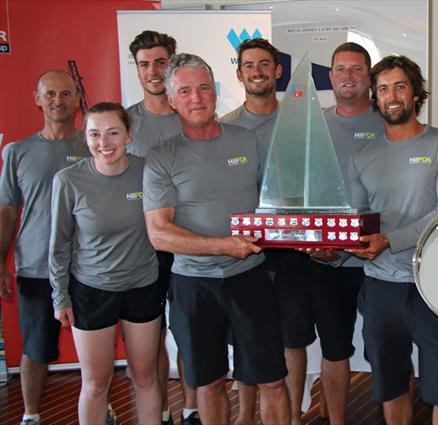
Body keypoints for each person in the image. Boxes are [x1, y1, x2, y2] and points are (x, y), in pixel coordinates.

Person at [142, 53, 290, 425]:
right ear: (172, 99)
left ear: (215, 91)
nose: (197, 98)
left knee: (272, 379)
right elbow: (159, 234)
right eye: (186, 91)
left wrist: (307, 235)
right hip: (194, 285)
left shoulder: (248, 141)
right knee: (209, 384)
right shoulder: (161, 158)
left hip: (252, 278)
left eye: (204, 88)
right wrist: (224, 245)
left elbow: (275, 206)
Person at [346, 55, 438, 425]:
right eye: (383, 89)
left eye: (400, 86)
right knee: (391, 386)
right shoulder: (362, 157)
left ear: (416, 93)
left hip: (437, 285)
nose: (392, 96)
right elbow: (358, 223)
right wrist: (332, 246)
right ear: (374, 97)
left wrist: (390, 240)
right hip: (382, 288)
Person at [49, 102, 162, 425]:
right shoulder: (68, 180)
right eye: (95, 134)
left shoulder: (148, 171)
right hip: (91, 290)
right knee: (96, 383)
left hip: (142, 286)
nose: (104, 143)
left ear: (128, 134)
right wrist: (61, 297)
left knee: (145, 377)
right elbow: (59, 245)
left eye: (113, 133)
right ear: (85, 138)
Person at [220, 37, 311, 425]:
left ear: (277, 72)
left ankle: (291, 417)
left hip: (293, 246)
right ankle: (245, 416)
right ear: (239, 74)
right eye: (249, 65)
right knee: (246, 334)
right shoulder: (223, 127)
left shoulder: (302, 119)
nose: (256, 71)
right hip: (244, 247)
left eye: (264, 65)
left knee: (292, 336)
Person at [0, 69, 90, 425]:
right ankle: (31, 415)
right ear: (37, 98)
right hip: (36, 267)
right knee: (36, 349)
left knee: (92, 349)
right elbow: (7, 212)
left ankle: (103, 407)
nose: (58, 100)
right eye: (50, 94)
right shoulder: (17, 152)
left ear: (77, 99)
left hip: (88, 268)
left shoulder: (94, 145)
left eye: (65, 93)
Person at [303, 41, 385, 425]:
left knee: (387, 349)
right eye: (340, 69)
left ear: (368, 76)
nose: (348, 76)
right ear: (330, 75)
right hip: (328, 260)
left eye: (356, 68)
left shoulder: (390, 121)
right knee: (334, 350)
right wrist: (311, 245)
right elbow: (301, 191)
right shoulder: (312, 125)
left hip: (382, 259)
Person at [127, 30, 198, 425]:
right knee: (150, 336)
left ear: (174, 65)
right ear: (136, 70)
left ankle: (190, 408)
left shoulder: (195, 113)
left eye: (160, 62)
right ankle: (162, 410)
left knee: (188, 333)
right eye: (144, 64)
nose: (153, 71)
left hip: (193, 245)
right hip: (145, 251)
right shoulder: (126, 123)